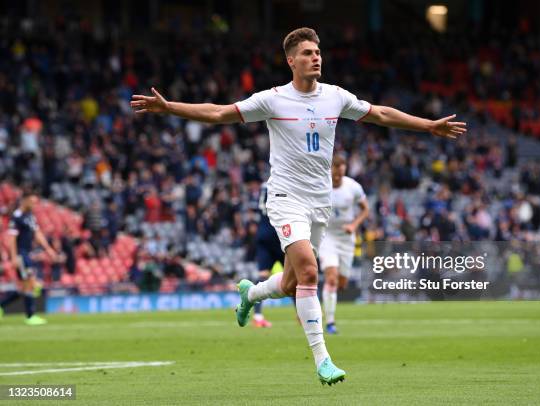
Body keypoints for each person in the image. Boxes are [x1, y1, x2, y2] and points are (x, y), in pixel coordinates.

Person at [131, 27, 466, 385]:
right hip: (285, 199)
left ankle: (252, 292)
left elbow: (380, 115)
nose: (315, 57)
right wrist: (169, 108)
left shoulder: (336, 97)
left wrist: (428, 125)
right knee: (309, 272)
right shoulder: (273, 99)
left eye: (317, 51)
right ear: (291, 60)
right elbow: (218, 113)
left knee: (292, 283)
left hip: (320, 204)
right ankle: (323, 361)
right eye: (307, 53)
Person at [319, 154, 369, 334]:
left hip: (347, 238)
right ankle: (330, 322)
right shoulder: (320, 185)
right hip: (327, 236)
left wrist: (354, 225)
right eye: (335, 171)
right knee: (331, 278)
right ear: (330, 169)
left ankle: (324, 303)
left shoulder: (353, 187)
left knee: (341, 282)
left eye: (341, 171)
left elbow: (366, 209)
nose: (338, 176)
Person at [0, 189, 57, 325]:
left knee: (25, 286)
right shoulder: (17, 216)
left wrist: (48, 249)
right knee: (30, 284)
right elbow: (11, 238)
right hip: (20, 255)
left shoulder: (30, 215)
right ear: (24, 200)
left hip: (27, 254)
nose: (34, 204)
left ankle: (2, 305)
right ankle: (30, 316)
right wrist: (14, 257)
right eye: (32, 202)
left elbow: (37, 232)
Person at [252, 183, 284, 328]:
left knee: (262, 275)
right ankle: (301, 315)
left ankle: (257, 316)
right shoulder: (281, 183)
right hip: (280, 236)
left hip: (264, 235)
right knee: (295, 276)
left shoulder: (264, 186)